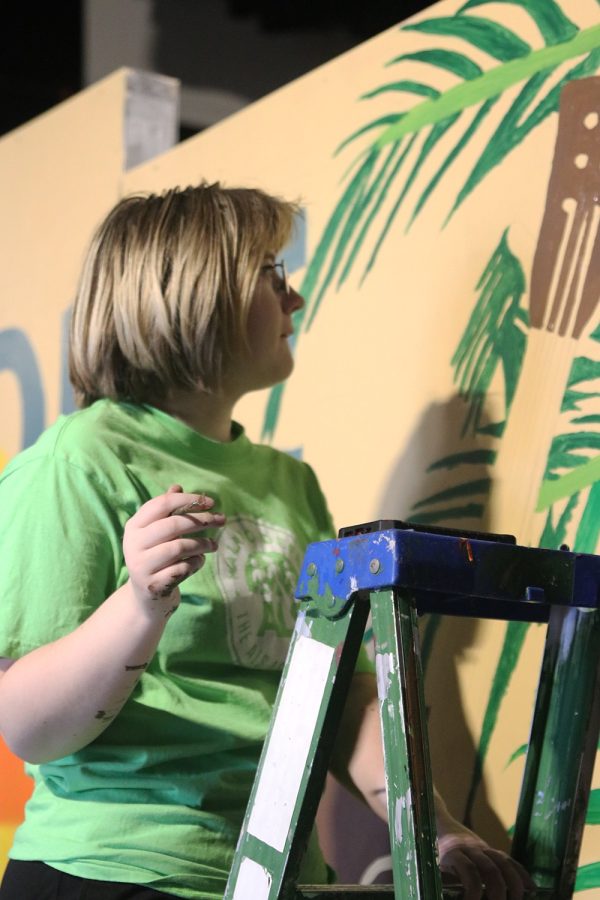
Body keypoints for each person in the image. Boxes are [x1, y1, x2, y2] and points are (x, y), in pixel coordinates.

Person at [0, 182, 534, 900]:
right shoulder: (80, 459)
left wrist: (433, 829)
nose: (295, 300)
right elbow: (26, 726)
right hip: (113, 872)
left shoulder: (292, 484)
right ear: (191, 288)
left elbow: (340, 701)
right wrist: (139, 604)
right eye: (271, 273)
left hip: (269, 877)